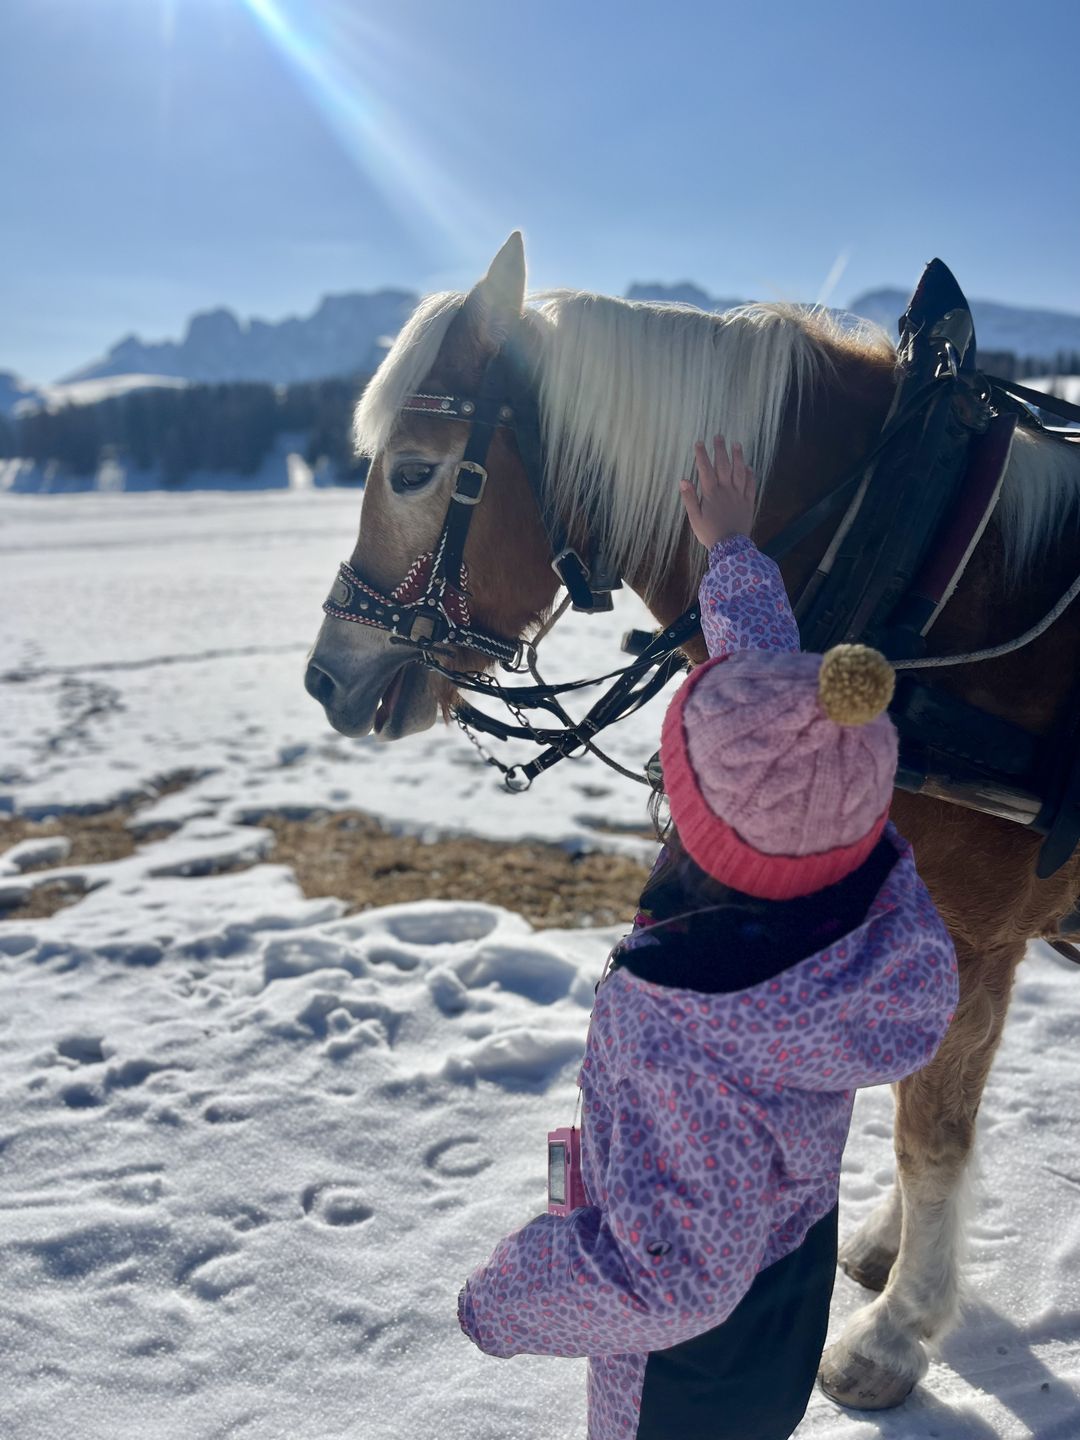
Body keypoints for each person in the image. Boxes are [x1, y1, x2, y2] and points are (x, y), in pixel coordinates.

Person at [456, 435, 959, 1440]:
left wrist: (502, 1300)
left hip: (685, 1376)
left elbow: (666, 1283)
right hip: (788, 1274)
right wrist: (729, 553)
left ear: (699, 821)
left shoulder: (688, 1033)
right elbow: (781, 706)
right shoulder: (856, 888)